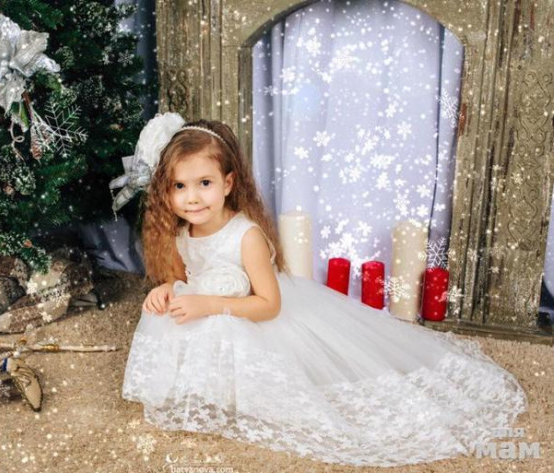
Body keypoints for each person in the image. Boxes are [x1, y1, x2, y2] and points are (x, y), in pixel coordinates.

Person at [111, 113, 527, 467]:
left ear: (228, 182)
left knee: (240, 340)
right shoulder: (183, 233)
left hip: (251, 316)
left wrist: (209, 304)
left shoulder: (245, 236)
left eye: (204, 182)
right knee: (165, 318)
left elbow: (268, 306)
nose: (192, 198)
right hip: (210, 310)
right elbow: (187, 277)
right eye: (179, 186)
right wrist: (167, 289)